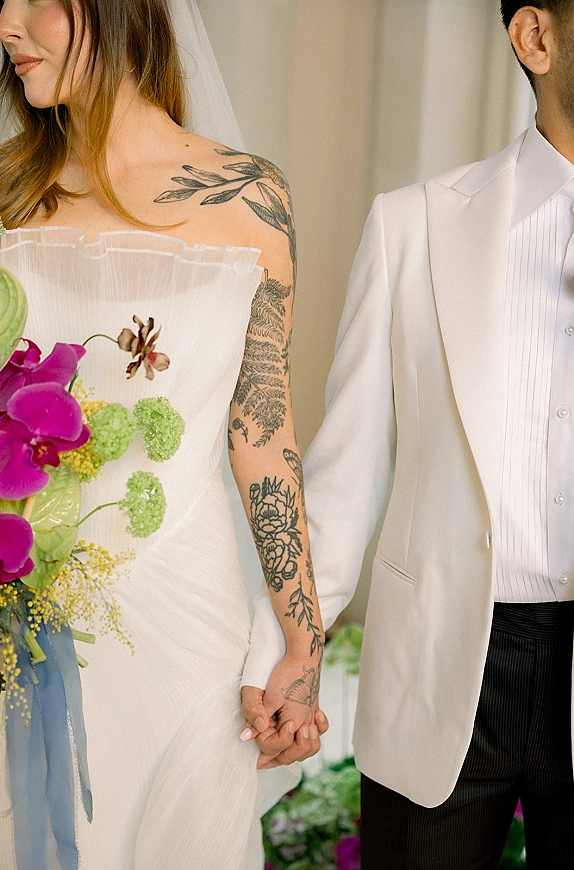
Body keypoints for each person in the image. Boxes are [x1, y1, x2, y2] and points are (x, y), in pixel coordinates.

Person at [0, 1, 328, 868]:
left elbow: (261, 428)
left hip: (186, 620)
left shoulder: (251, 199)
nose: (4, 24)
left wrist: (302, 639)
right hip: (20, 617)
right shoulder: (4, 191)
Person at [243, 1, 574, 867]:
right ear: (536, 38)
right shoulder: (414, 224)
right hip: (440, 664)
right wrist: (294, 649)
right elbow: (347, 470)